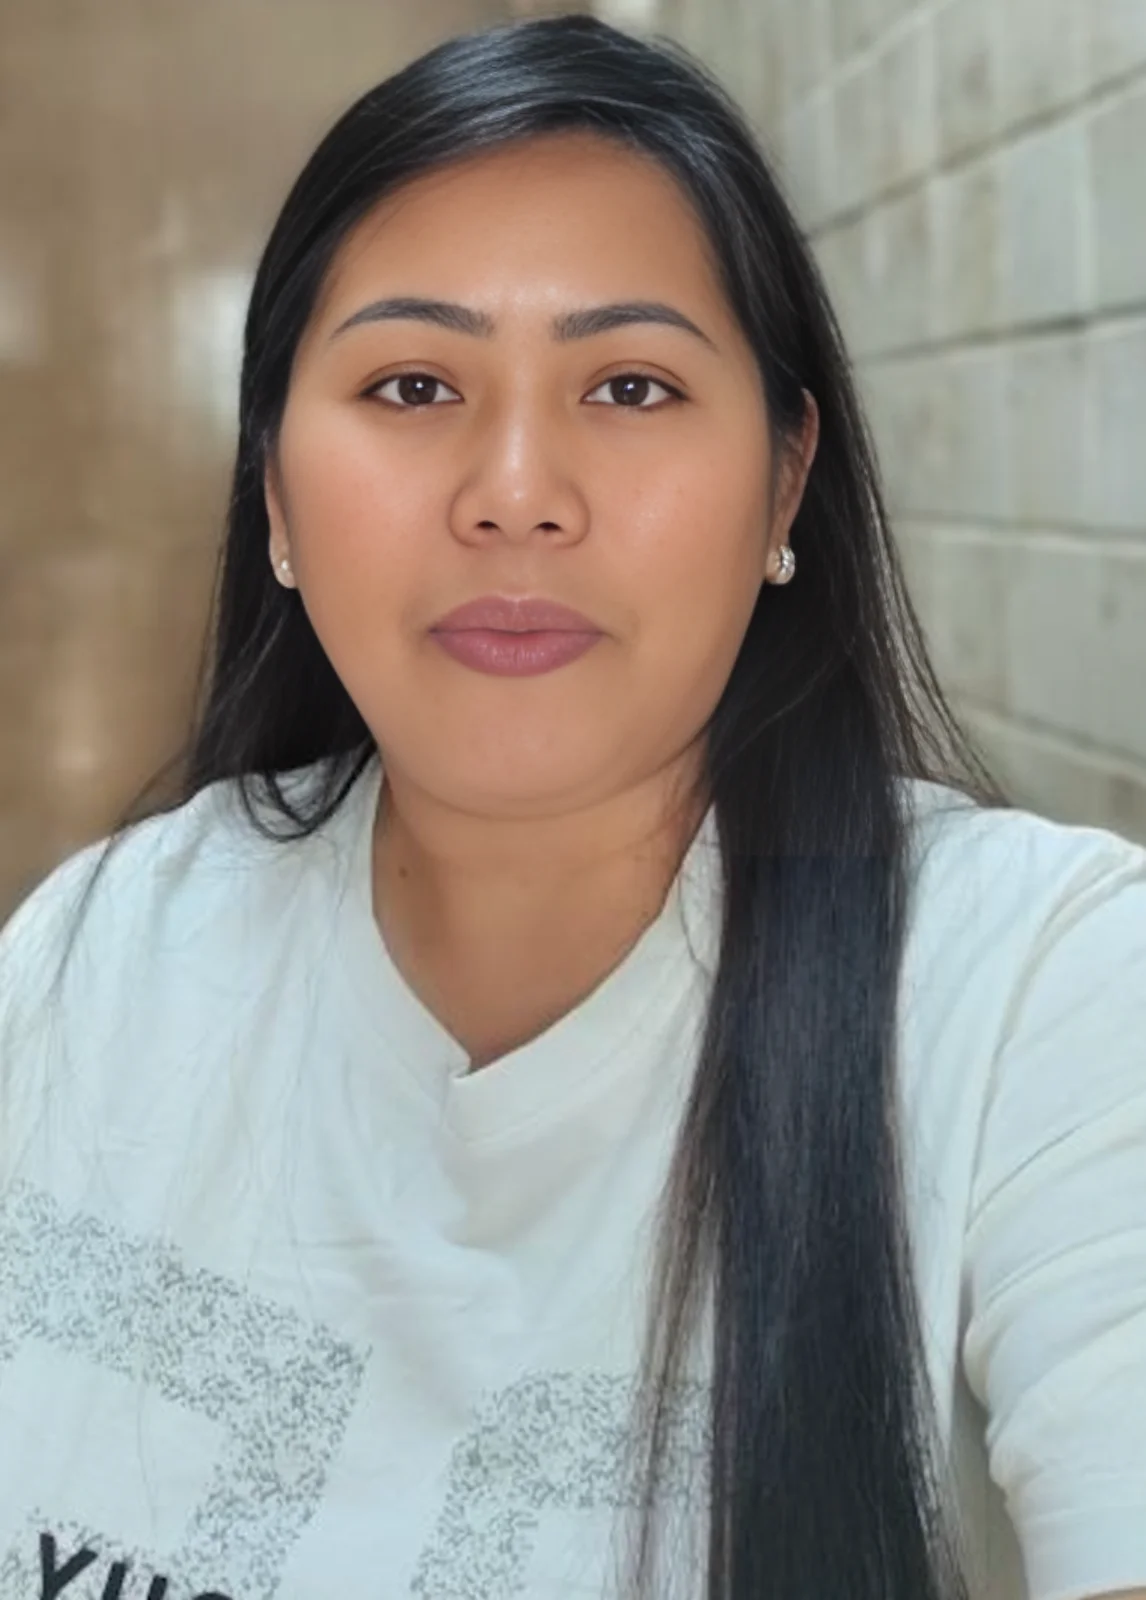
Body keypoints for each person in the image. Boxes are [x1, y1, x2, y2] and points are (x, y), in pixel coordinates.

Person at [0, 13, 1143, 1600]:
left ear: (783, 481)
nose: (516, 491)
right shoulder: (102, 945)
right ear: (273, 492)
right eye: (413, 383)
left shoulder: (1039, 990)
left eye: (629, 384)